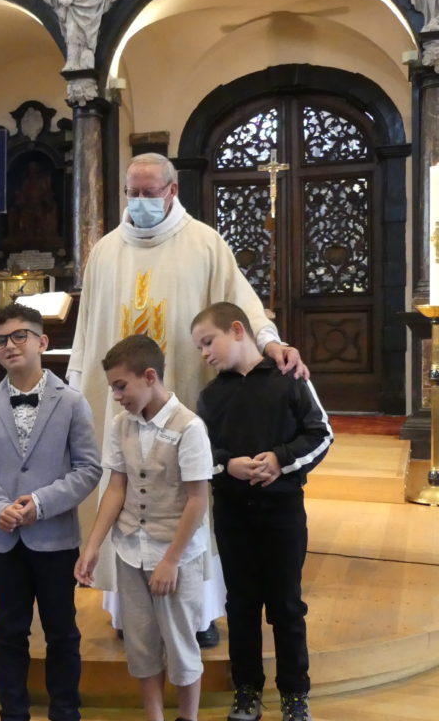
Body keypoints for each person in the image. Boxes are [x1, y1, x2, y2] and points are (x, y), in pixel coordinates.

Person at [66, 152, 309, 643]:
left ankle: (198, 616)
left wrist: (270, 342)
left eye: (149, 192)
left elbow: (240, 308)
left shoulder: (204, 243)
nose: (139, 201)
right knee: (128, 491)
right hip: (124, 409)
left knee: (189, 497)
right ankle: (128, 613)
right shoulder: (106, 251)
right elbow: (87, 329)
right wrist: (75, 389)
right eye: (132, 192)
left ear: (172, 191)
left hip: (184, 401)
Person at [191, 302, 333, 721]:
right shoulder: (211, 396)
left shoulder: (289, 379)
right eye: (199, 347)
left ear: (237, 330)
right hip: (233, 514)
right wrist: (228, 465)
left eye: (208, 342)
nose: (204, 353)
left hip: (282, 511)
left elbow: (321, 434)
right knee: (241, 605)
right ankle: (247, 688)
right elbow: (199, 453)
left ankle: (294, 693)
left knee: (286, 605)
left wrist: (280, 459)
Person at [0, 303, 101, 721]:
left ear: (42, 342)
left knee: (62, 631)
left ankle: (65, 711)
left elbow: (89, 468)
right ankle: (13, 712)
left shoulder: (71, 401)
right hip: (5, 539)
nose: (9, 345)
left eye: (19, 336)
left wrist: (40, 503)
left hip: (55, 537)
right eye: (0, 340)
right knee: (9, 631)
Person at [75, 335, 211, 721]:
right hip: (130, 551)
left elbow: (197, 501)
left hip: (175, 555)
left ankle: (188, 717)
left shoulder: (190, 427)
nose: (117, 396)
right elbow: (116, 488)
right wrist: (93, 545)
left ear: (150, 376)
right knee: (140, 644)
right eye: (113, 388)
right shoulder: (121, 425)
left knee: (181, 644)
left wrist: (171, 561)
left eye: (121, 386)